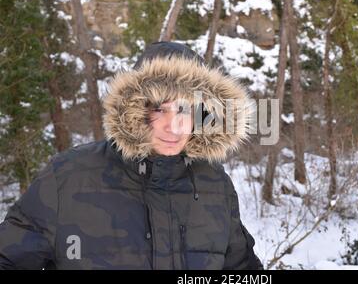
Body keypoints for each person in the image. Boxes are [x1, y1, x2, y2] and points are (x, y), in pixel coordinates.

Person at [0, 41, 263, 270]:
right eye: (159, 109)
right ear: (134, 110)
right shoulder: (69, 175)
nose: (173, 126)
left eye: (185, 110)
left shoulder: (214, 182)